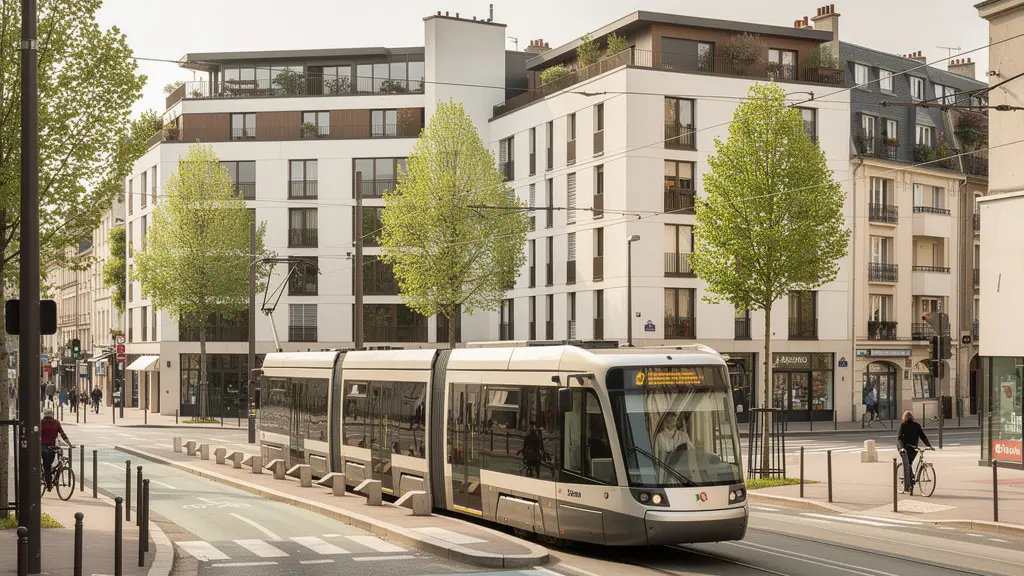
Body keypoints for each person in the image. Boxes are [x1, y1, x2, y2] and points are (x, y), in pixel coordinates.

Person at [897, 410, 932, 493]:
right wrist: (928, 445)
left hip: (907, 448)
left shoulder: (903, 425)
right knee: (908, 464)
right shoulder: (916, 425)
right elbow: (923, 436)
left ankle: (910, 480)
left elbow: (899, 438)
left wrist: (901, 448)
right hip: (911, 448)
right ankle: (908, 483)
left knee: (908, 464)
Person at [41, 408, 72, 491]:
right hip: (52, 447)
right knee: (49, 463)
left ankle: (48, 484)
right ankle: (50, 476)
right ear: (52, 415)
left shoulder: (41, 422)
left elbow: (38, 435)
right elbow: (63, 434)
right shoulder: (56, 423)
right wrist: (69, 444)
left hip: (43, 446)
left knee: (46, 466)